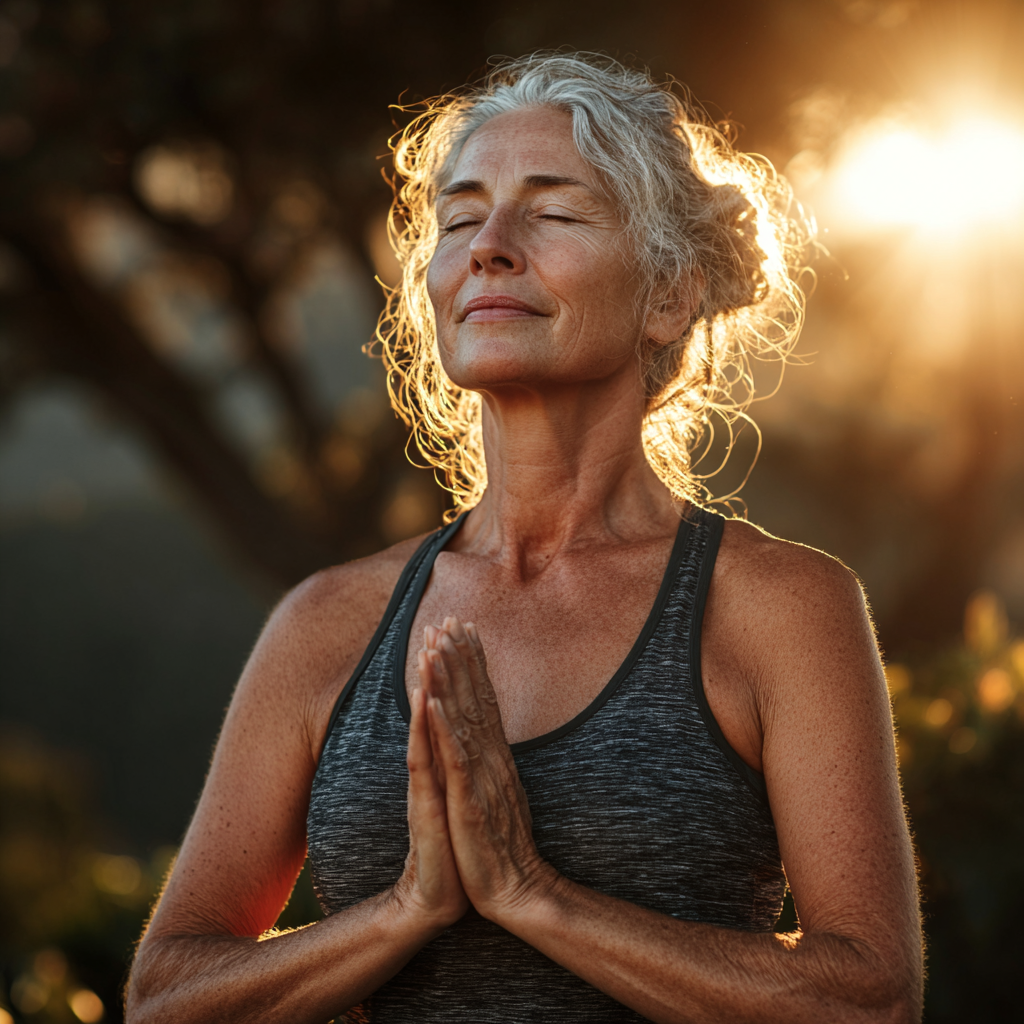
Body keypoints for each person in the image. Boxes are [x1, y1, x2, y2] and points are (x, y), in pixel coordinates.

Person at [126, 53, 923, 1023]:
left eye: (552, 213)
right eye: (459, 219)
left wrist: (529, 894)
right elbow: (167, 992)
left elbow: (868, 996)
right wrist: (404, 912)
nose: (488, 247)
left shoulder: (776, 608)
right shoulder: (329, 623)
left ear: (668, 294)